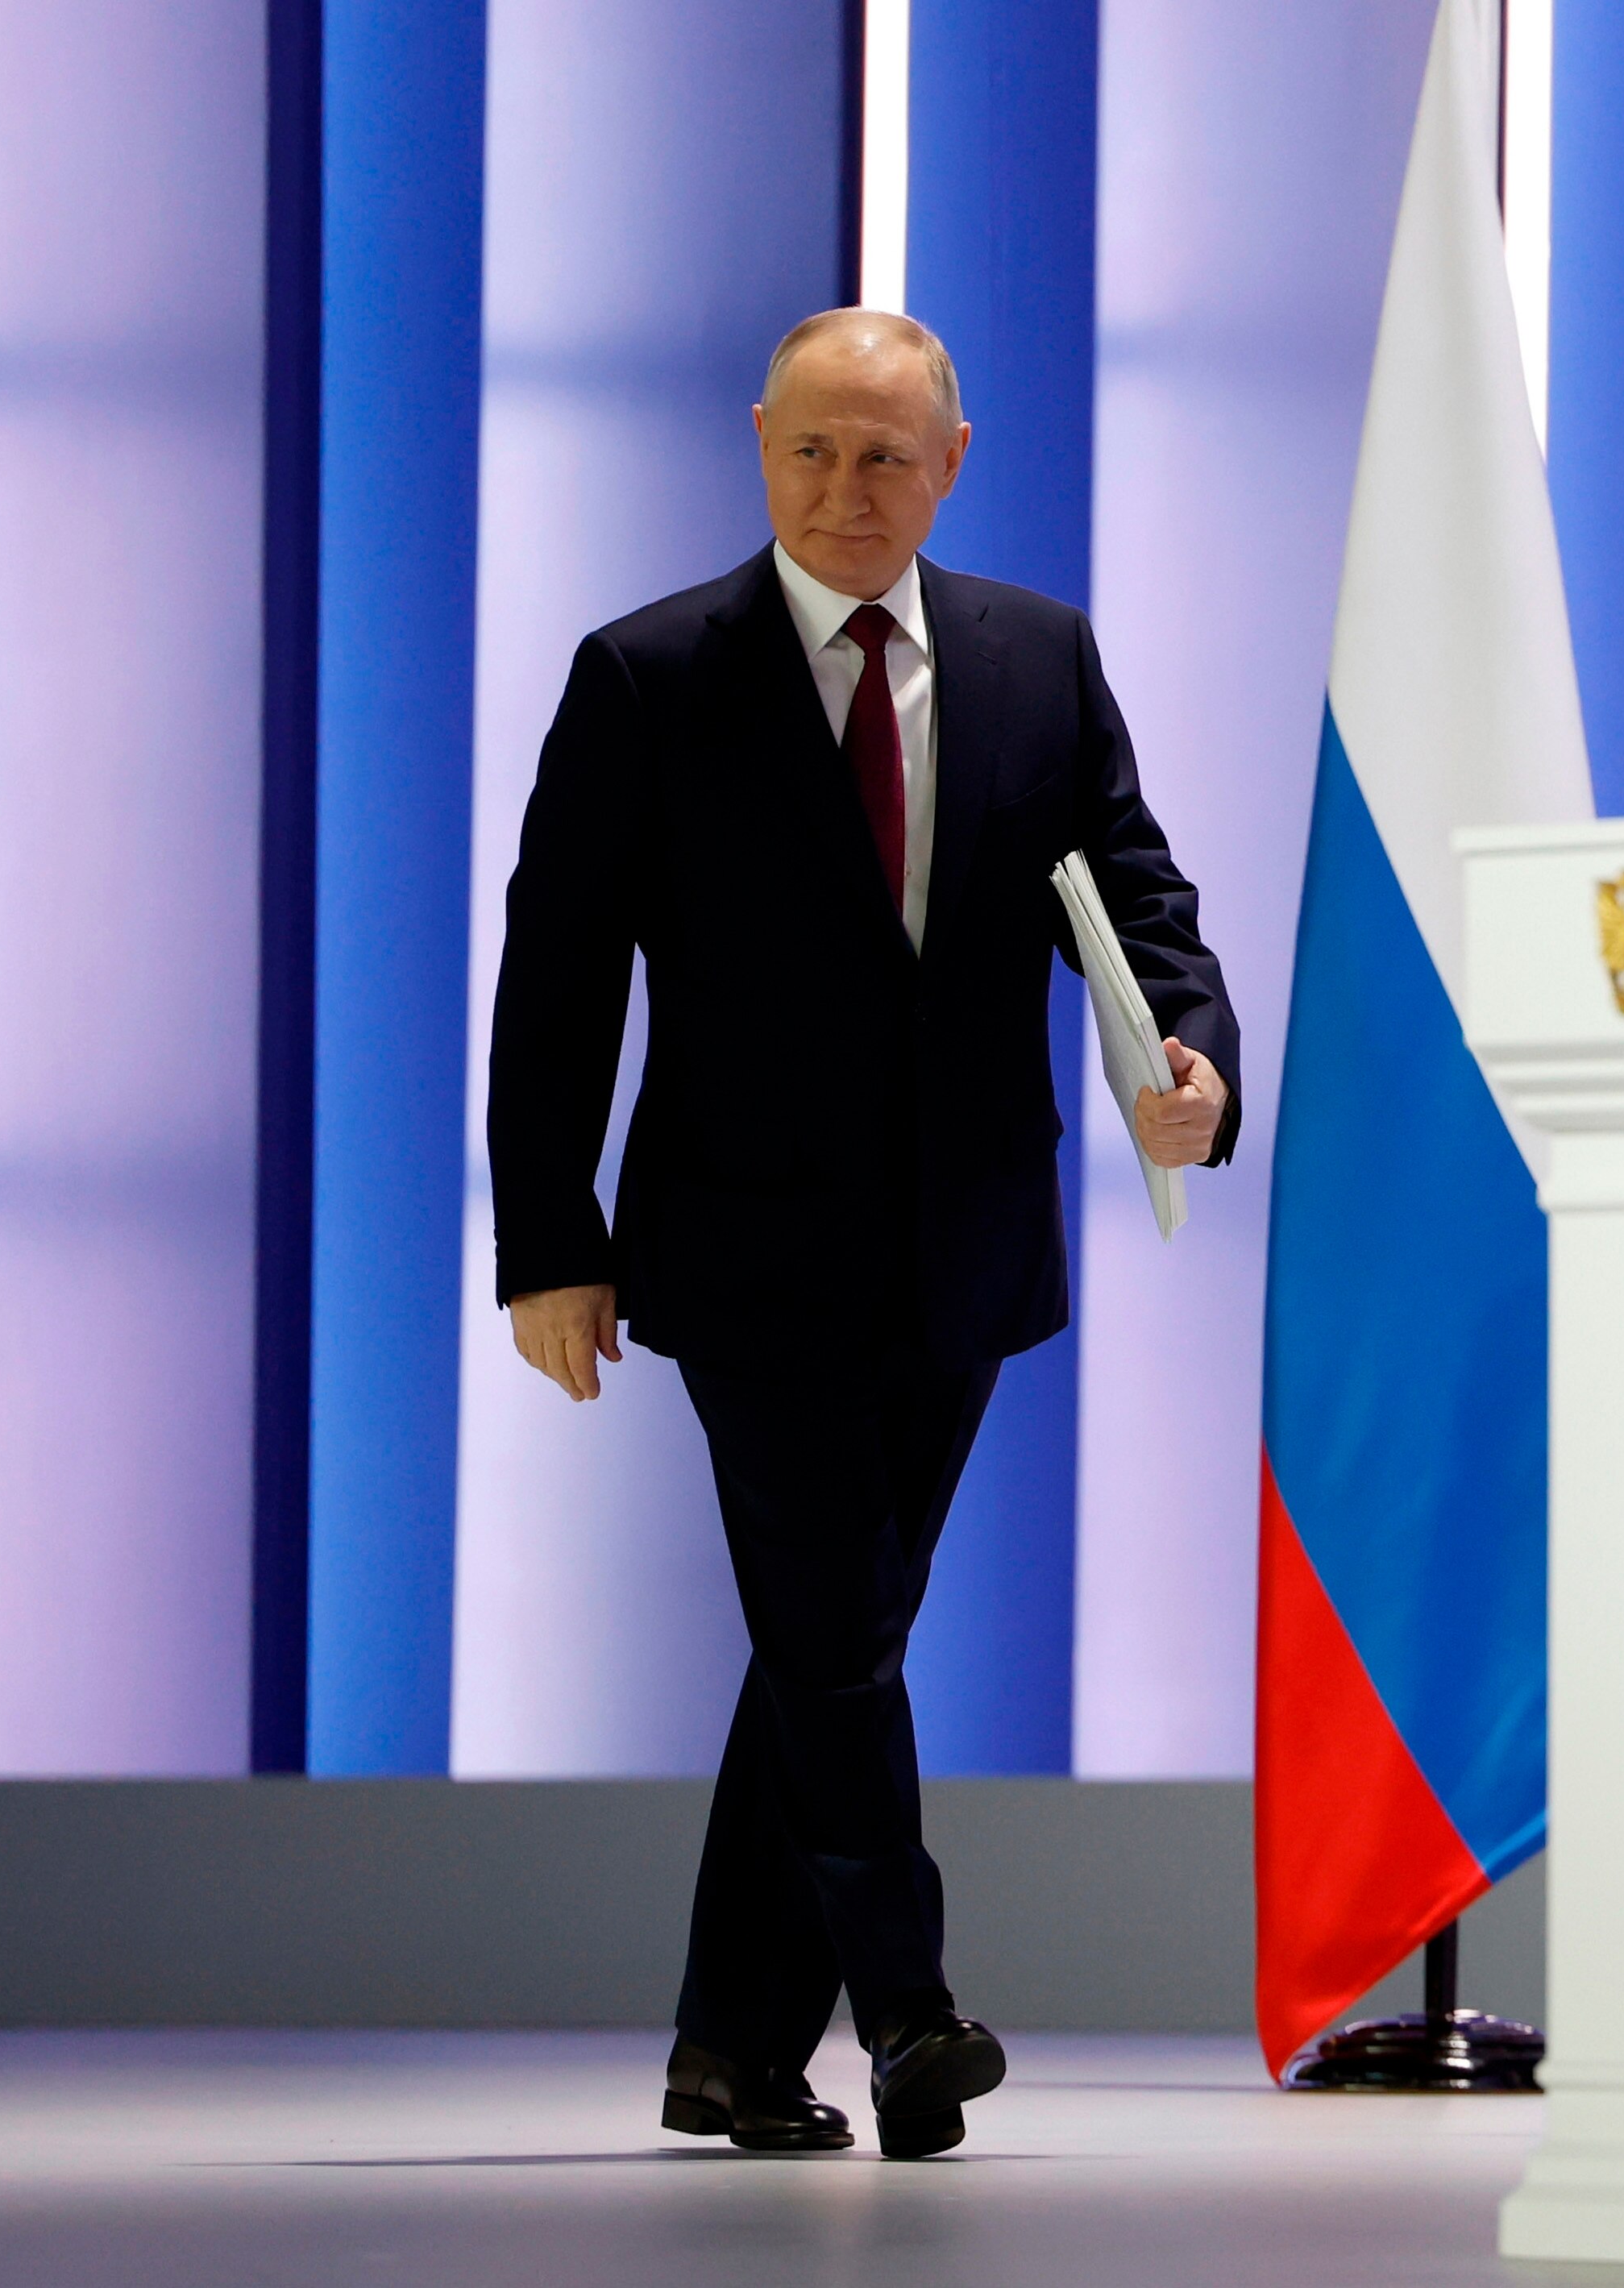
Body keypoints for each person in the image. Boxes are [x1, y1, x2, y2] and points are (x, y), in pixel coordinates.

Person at [486, 308, 1236, 2159]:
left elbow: (1133, 892)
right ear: (760, 444)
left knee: (833, 1636)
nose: (845, 487)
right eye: (812, 449)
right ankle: (907, 2012)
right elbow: (557, 981)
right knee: (831, 1634)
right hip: (739, 1253)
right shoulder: (651, 672)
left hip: (967, 1244)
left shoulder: (1034, 657)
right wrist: (546, 1237)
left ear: (950, 464)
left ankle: (732, 2052)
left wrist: (1196, 1054)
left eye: (885, 454)